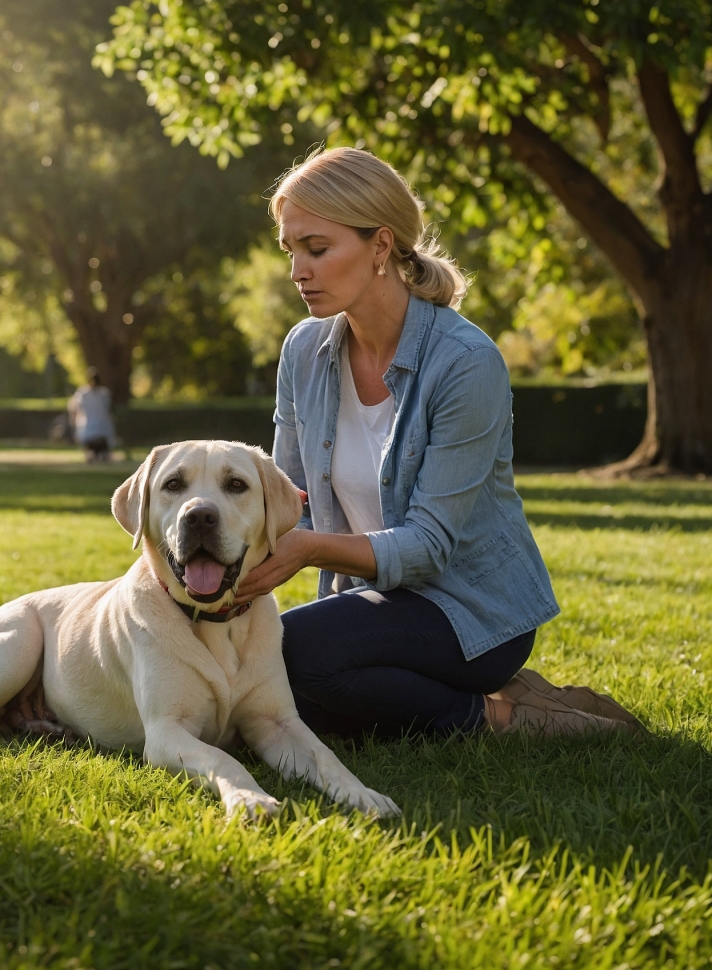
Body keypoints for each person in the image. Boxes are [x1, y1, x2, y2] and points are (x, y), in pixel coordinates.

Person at [232, 148, 639, 739]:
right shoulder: (304, 350)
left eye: (317, 249)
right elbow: (282, 499)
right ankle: (436, 699)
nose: (298, 270)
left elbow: (427, 546)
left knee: (294, 657)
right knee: (270, 688)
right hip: (368, 606)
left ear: (379, 246)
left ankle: (505, 714)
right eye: (291, 250)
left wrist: (309, 549)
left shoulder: (466, 362)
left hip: (469, 611)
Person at [68, 367, 116, 462]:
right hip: (104, 428)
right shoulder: (104, 393)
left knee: (81, 427)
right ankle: (104, 454)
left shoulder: (82, 393)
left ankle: (90, 454)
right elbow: (108, 409)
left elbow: (74, 408)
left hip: (88, 428)